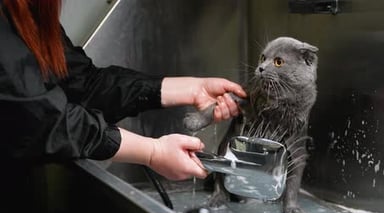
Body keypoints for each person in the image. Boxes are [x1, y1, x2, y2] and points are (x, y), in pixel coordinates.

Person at [0, 0, 246, 181]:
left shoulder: (24, 13)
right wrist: (152, 152)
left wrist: (193, 88)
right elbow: (42, 121)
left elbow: (82, 84)